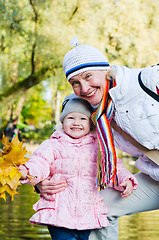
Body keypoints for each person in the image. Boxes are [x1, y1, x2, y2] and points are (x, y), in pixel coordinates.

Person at [37, 43, 159, 240]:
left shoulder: (148, 80)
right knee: (98, 209)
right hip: (156, 177)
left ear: (105, 70)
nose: (84, 88)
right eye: (74, 82)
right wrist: (39, 182)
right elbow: (65, 151)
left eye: (88, 76)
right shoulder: (91, 109)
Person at [18, 95, 137, 240]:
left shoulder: (99, 146)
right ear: (63, 122)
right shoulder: (53, 145)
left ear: (91, 123)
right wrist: (27, 171)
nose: (76, 123)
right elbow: (40, 162)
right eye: (70, 118)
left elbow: (113, 166)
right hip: (59, 214)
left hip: (89, 215)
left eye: (82, 119)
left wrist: (125, 179)